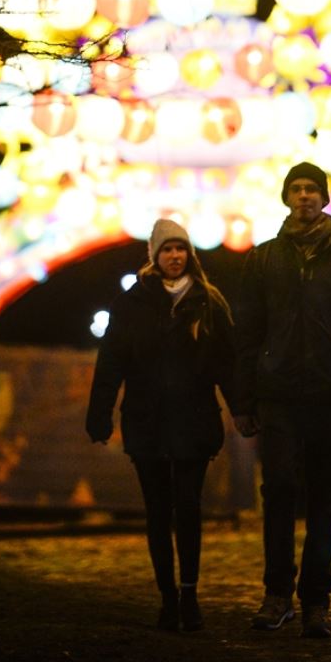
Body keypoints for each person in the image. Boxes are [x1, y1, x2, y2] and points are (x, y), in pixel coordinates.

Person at [231, 162, 331, 639]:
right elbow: (246, 334)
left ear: (323, 198)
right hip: (278, 395)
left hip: (329, 395)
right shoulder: (262, 259)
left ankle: (316, 600)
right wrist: (242, 399)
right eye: (296, 189)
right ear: (286, 198)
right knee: (277, 493)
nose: (304, 197)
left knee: (324, 502)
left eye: (312, 189)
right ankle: (277, 594)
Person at [86, 218, 235, 632]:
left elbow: (227, 361)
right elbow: (112, 361)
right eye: (167, 250)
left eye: (181, 249)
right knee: (157, 511)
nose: (174, 257)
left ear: (190, 255)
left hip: (194, 419)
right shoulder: (132, 303)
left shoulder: (208, 301)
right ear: (155, 255)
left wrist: (243, 407)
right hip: (147, 420)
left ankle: (189, 594)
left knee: (187, 507)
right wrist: (99, 413)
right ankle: (168, 597)